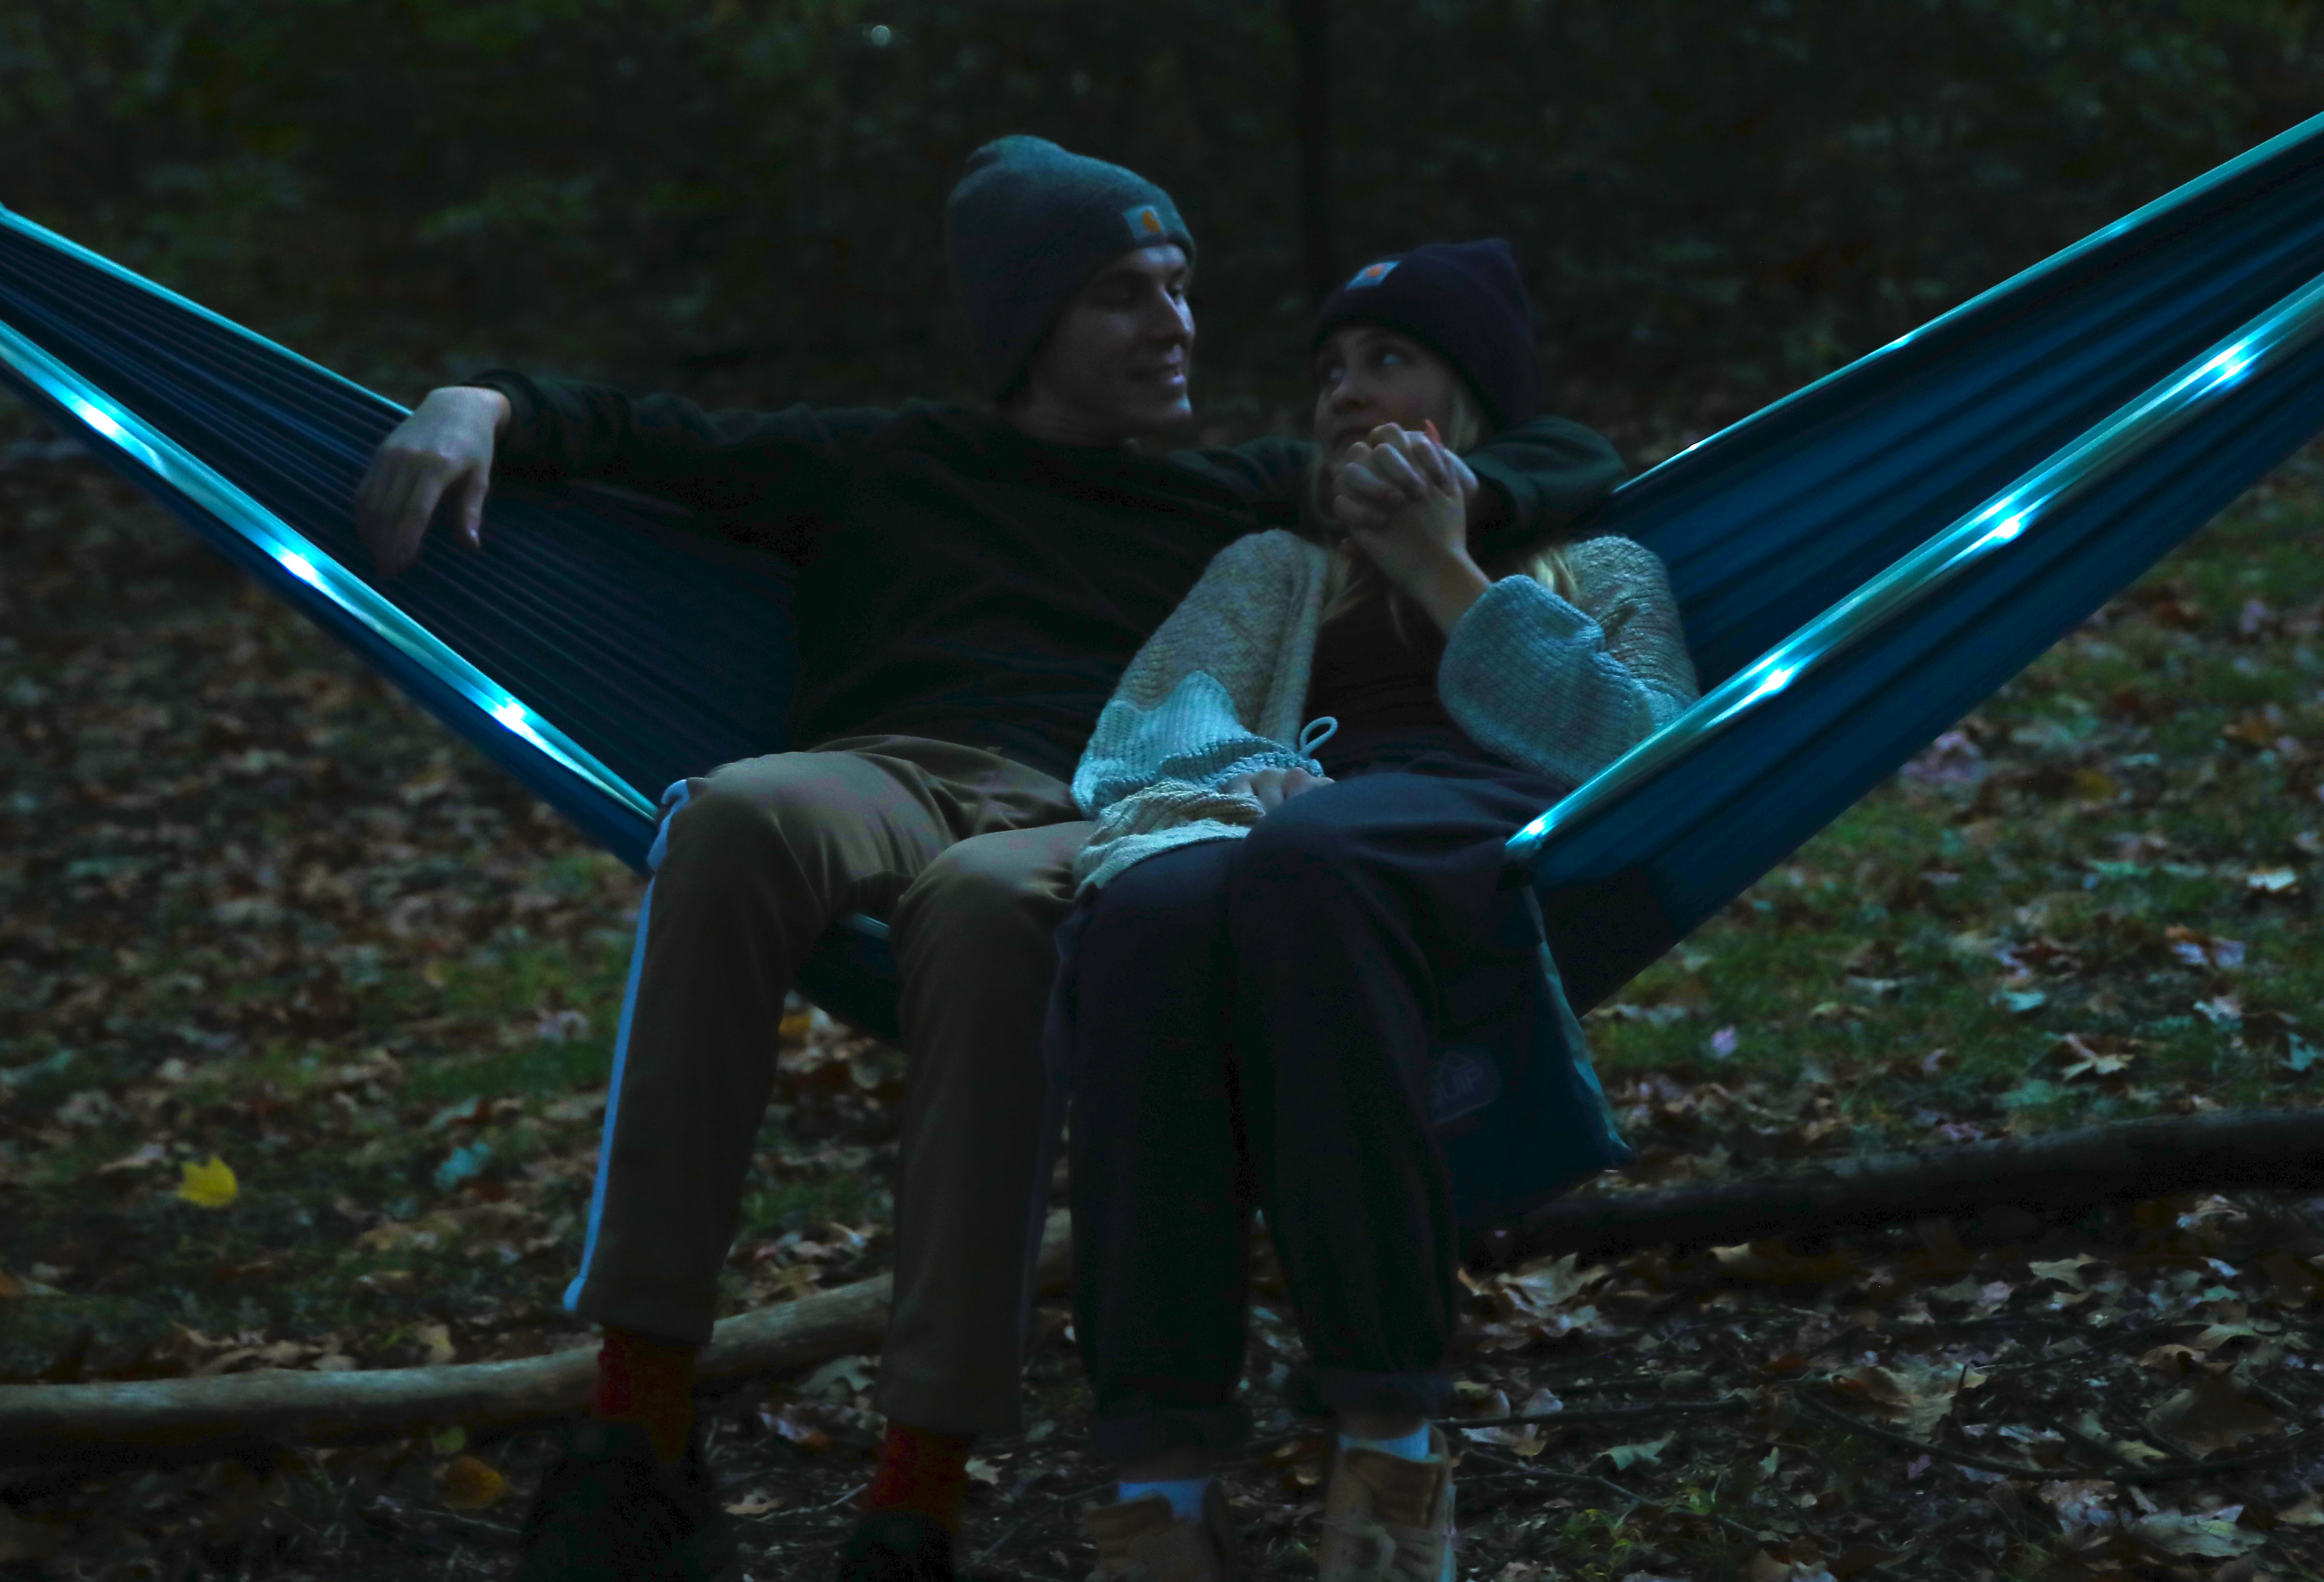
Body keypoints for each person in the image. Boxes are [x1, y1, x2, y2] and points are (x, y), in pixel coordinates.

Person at [352, 147, 1626, 1582]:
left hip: (1096, 809)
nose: (1174, 324)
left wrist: (1441, 487)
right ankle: (636, 1422)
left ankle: (920, 1490)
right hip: (887, 772)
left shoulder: (1243, 499)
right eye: (1121, 298)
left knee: (983, 909)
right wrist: (477, 401)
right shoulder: (885, 458)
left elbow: (1571, 460)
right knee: (724, 815)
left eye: (1181, 289)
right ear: (1031, 330)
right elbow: (642, 434)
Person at [1059, 239, 1698, 1582]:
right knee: (1147, 917)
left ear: (1471, 396)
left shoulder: (1603, 564)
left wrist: (1448, 570)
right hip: (1291, 831)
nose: (1346, 392)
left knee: (1316, 855)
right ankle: (1156, 1486)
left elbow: (1647, 756)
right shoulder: (1270, 570)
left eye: (1388, 360)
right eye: (1329, 371)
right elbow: (1140, 736)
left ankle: (1394, 1447)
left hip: (1495, 822)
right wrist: (1242, 783)